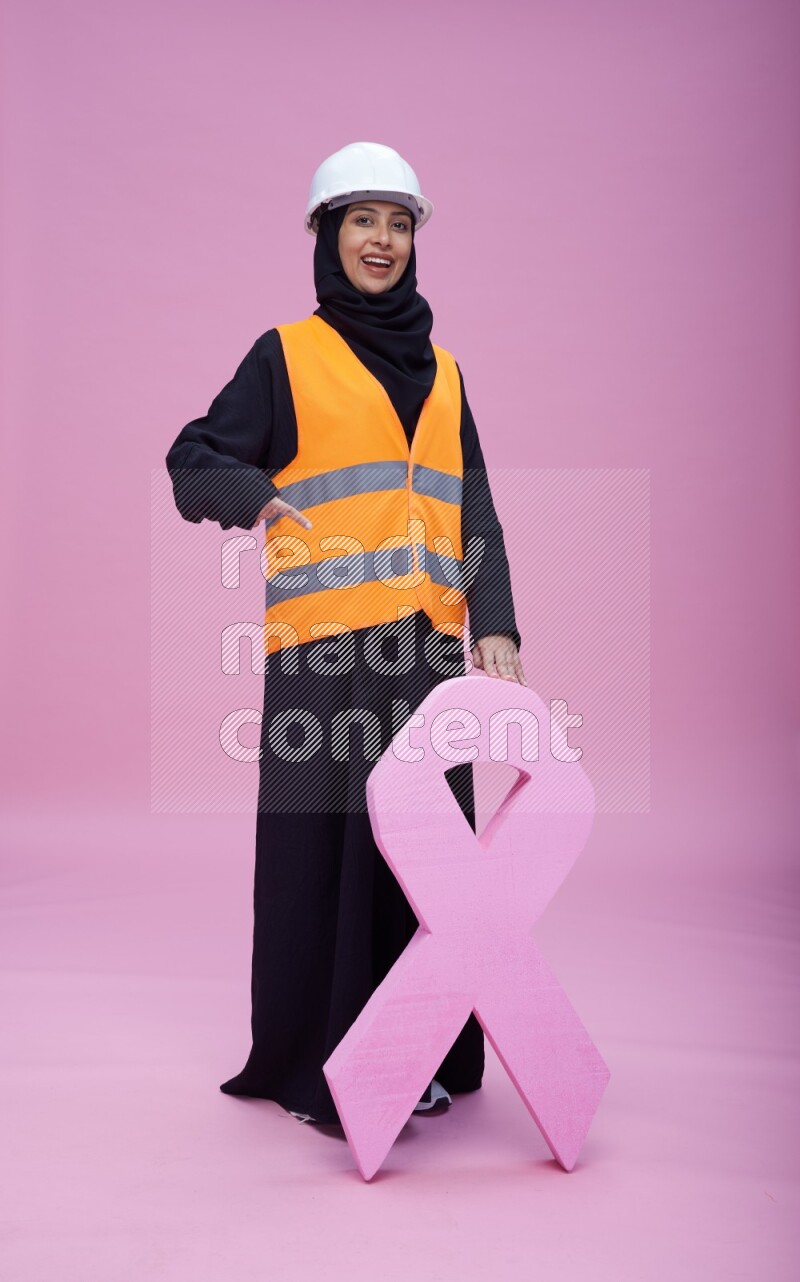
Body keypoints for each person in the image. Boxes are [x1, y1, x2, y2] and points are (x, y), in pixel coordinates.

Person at [165, 141, 525, 1126]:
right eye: (362, 219)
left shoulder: (444, 370)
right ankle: (318, 1066)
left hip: (425, 647)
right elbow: (190, 456)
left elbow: (473, 506)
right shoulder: (285, 353)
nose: (382, 239)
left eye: (399, 222)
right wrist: (255, 494)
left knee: (426, 855)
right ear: (327, 233)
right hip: (327, 649)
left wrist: (493, 623)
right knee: (325, 852)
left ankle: (420, 1056)